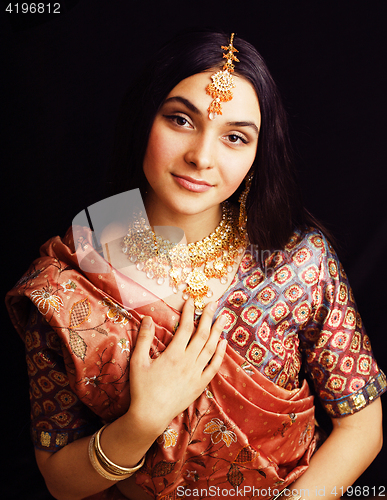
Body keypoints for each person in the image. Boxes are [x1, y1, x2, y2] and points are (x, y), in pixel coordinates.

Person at [6, 30, 385, 500]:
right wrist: (143, 421)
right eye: (181, 120)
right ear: (145, 118)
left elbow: (362, 428)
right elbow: (58, 478)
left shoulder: (299, 263)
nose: (201, 157)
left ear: (257, 153)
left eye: (235, 137)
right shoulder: (71, 280)